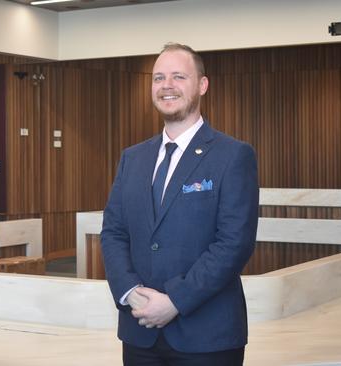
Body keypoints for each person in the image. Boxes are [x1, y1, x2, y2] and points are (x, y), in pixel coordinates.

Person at [100, 43, 259, 365]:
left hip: (207, 337)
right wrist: (130, 291)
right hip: (139, 330)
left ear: (202, 85)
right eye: (158, 78)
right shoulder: (133, 158)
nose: (166, 85)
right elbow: (114, 232)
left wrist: (175, 300)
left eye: (178, 76)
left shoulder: (233, 155)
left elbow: (233, 243)